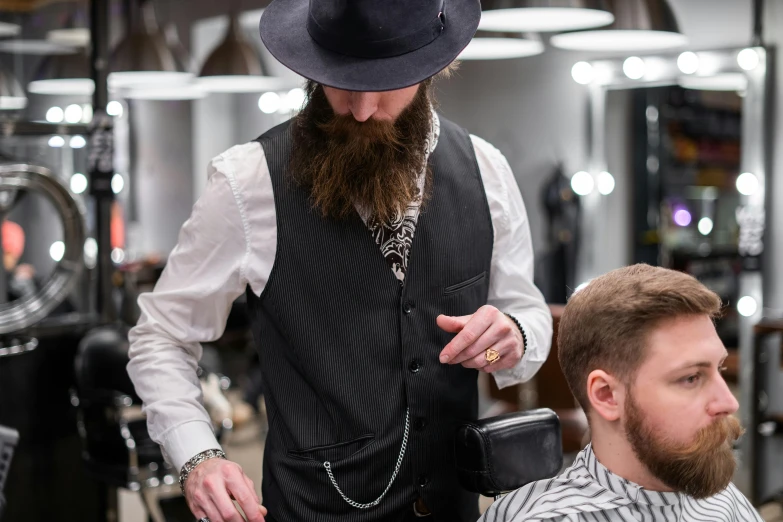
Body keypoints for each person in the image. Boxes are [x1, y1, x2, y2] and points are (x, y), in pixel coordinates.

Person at [126, 0, 553, 521]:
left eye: (388, 82)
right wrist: (198, 456)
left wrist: (515, 333)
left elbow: (527, 312)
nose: (362, 108)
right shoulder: (249, 182)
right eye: (343, 82)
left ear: (433, 65)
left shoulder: (486, 171)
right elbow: (161, 336)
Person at [479, 264, 763, 522]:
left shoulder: (720, 499)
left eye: (720, 369)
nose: (728, 402)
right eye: (690, 378)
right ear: (606, 395)